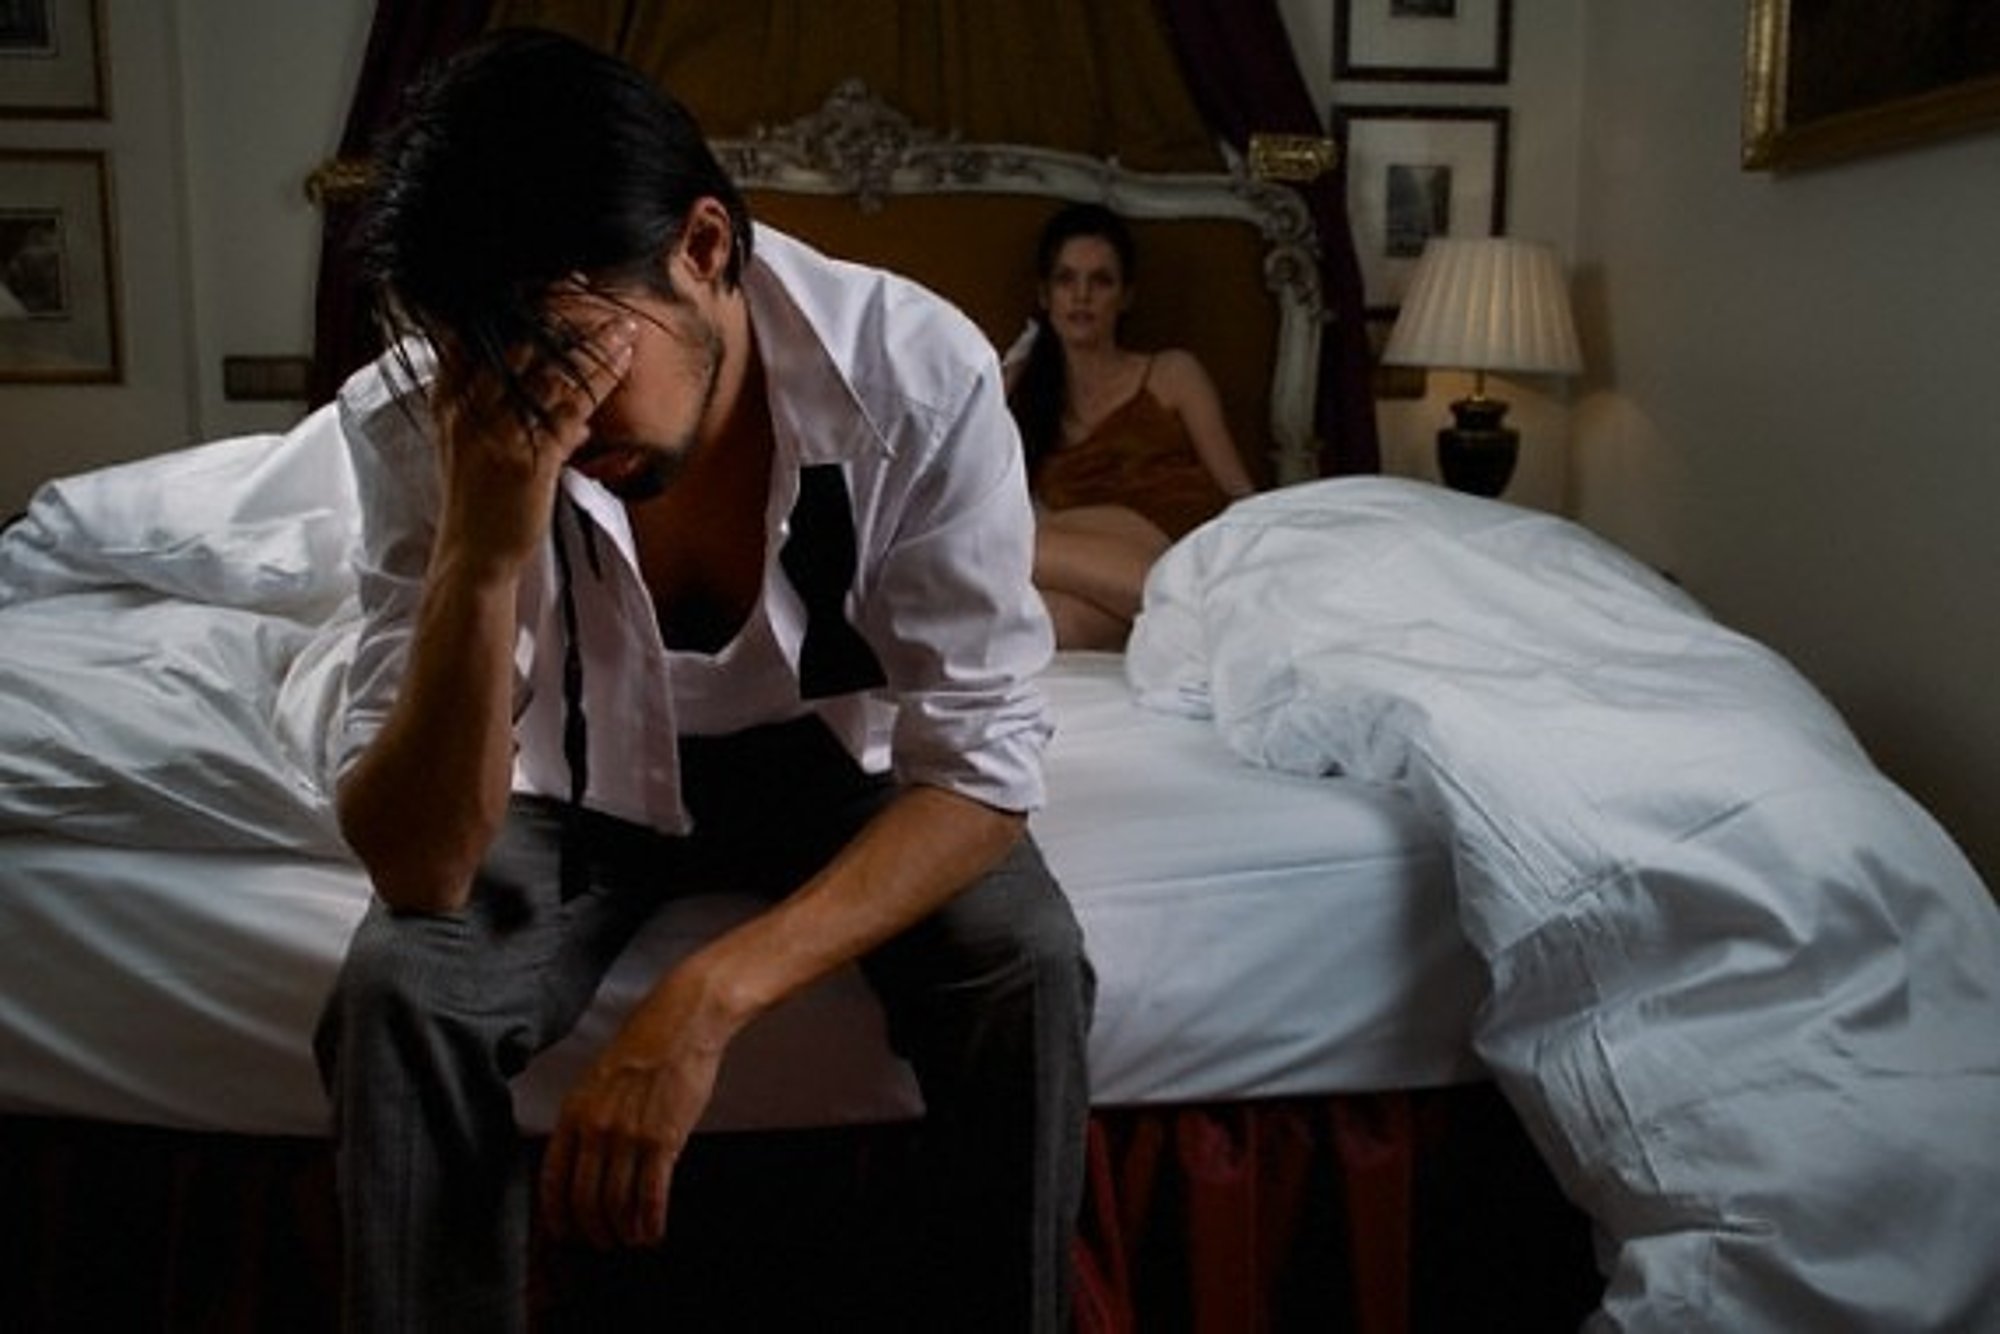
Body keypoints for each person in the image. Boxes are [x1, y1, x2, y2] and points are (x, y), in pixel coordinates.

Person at [311, 29, 1094, 1334]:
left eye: (572, 351)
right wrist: (483, 554)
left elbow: (981, 767)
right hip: (566, 787)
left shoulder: (915, 372)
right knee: (398, 991)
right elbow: (420, 868)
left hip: (838, 769)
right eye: (492, 365)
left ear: (706, 248)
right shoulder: (427, 418)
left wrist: (706, 996)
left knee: (1025, 961)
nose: (547, 413)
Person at [1006, 203, 1256, 649]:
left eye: (1101, 281)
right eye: (1066, 280)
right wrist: (1007, 382)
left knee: (990, 548)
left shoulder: (1172, 373)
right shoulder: (1026, 400)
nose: (1082, 296)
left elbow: (1240, 495)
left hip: (1178, 558)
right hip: (1095, 576)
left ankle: (1225, 616)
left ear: (1125, 297)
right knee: (1048, 621)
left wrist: (1258, 566)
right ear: (1045, 296)